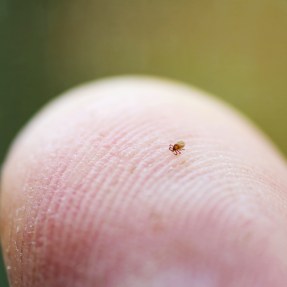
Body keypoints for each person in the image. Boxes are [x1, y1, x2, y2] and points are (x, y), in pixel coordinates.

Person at [1, 76, 287, 286]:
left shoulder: (179, 148)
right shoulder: (174, 148)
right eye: (175, 149)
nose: (175, 150)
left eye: (176, 149)